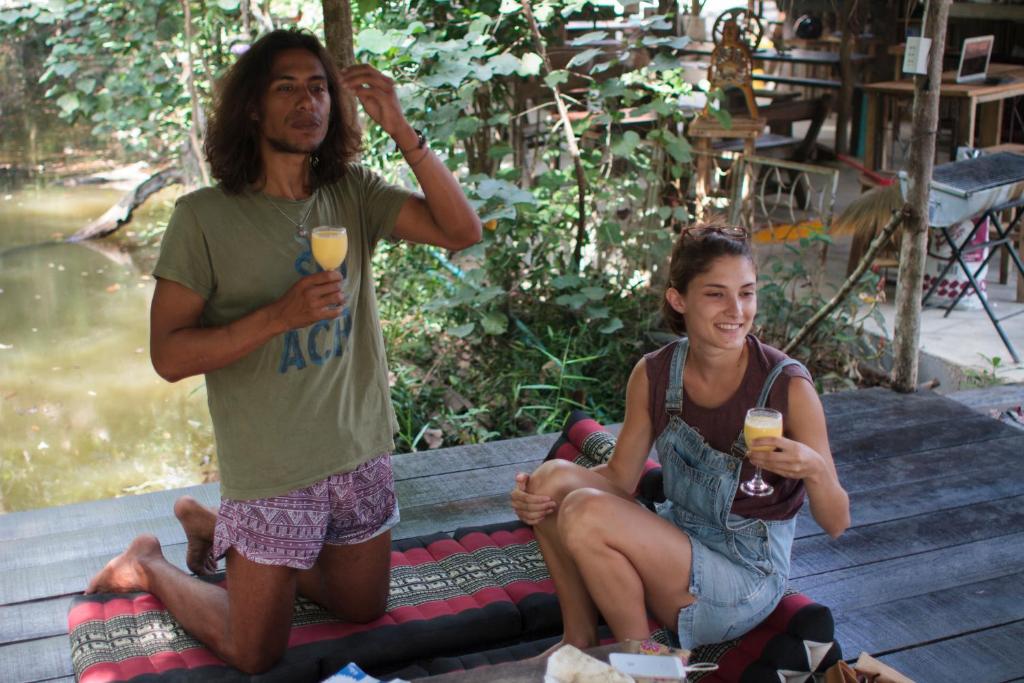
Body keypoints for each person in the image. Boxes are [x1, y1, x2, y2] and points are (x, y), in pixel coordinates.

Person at [86, 29, 481, 673]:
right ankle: (149, 562)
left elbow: (462, 231)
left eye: (319, 88)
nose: (308, 102)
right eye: (287, 87)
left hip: (358, 446)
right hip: (274, 467)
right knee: (254, 651)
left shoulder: (352, 192)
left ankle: (217, 532)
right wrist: (278, 316)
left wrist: (402, 129)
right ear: (251, 108)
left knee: (362, 606)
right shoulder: (203, 218)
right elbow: (169, 357)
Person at [510, 224, 849, 651]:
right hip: (676, 544)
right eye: (716, 294)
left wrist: (814, 470)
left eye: (746, 293)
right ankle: (578, 637)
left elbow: (837, 523)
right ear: (678, 299)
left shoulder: (788, 386)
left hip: (742, 579)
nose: (736, 310)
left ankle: (646, 665)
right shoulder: (655, 373)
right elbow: (620, 479)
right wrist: (537, 492)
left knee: (585, 512)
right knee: (550, 479)